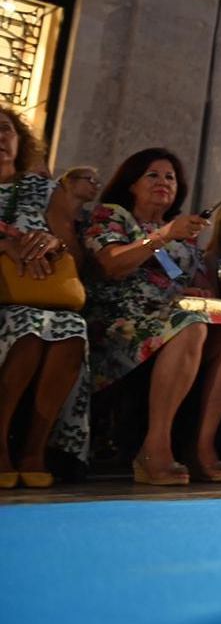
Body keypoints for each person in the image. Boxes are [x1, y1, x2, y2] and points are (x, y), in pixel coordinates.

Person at [83, 148, 221, 485]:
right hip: (119, 320)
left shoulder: (182, 234)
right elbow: (110, 265)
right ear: (132, 184)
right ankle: (154, 447)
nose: (163, 182)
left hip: (170, 315)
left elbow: (189, 282)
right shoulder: (113, 215)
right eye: (153, 175)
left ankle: (202, 444)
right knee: (189, 328)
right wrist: (162, 235)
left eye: (170, 177)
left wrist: (197, 292)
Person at [0, 109, 88, 488]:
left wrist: (55, 242)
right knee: (29, 330)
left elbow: (75, 251)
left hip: (46, 297)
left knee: (70, 327)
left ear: (19, 140)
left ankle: (36, 447)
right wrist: (6, 245)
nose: (0, 137)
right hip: (5, 302)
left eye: (5, 130)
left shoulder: (42, 189)